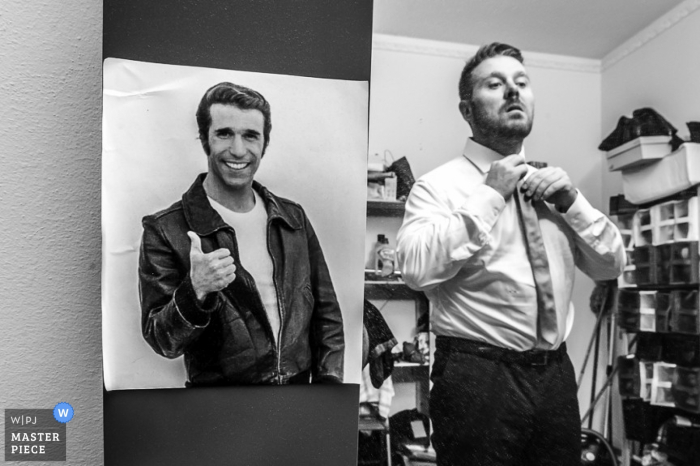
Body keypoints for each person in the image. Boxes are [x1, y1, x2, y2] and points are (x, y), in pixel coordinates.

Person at [396, 43, 625, 465]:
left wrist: (573, 201)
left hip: (555, 375)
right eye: (496, 84)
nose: (513, 92)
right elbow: (413, 269)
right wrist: (488, 195)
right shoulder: (438, 187)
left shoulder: (554, 188)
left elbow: (611, 264)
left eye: (521, 83)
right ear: (467, 110)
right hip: (478, 376)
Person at [138, 82, 344, 386]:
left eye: (250, 136)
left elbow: (328, 316)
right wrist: (195, 291)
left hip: (298, 397)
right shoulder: (165, 229)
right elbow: (162, 340)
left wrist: (329, 389)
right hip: (220, 406)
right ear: (205, 139)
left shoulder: (292, 218)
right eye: (224, 133)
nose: (238, 150)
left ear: (264, 144)